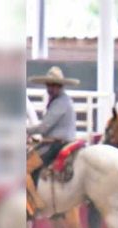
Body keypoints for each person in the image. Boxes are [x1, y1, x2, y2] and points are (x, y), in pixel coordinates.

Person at [26, 66, 79, 215]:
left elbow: (44, 127)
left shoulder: (60, 103)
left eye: (53, 85)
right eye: (49, 85)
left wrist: (26, 130)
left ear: (60, 86)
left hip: (56, 144)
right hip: (56, 141)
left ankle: (36, 202)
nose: (50, 88)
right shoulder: (61, 101)